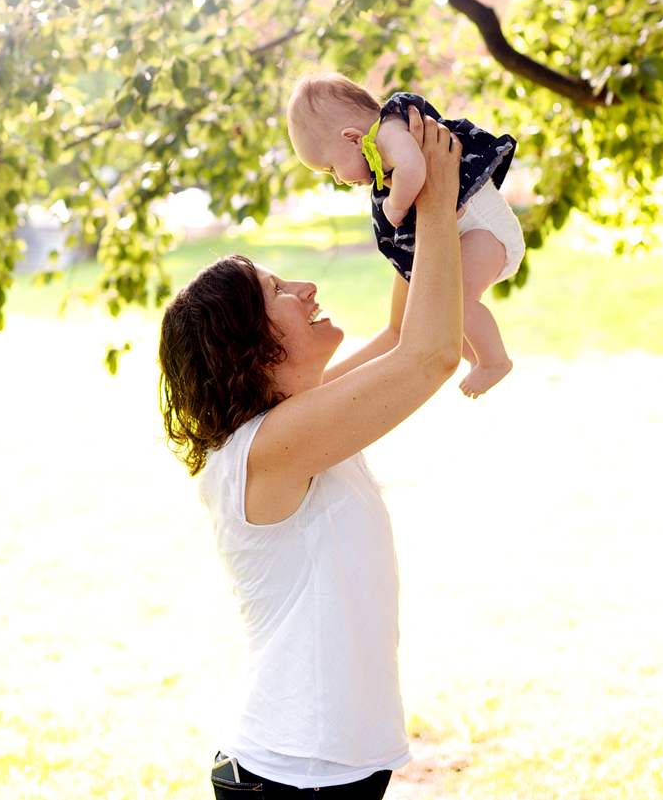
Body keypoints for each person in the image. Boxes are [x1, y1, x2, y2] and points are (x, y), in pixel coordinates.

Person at [158, 110, 463, 799]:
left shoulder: (297, 424)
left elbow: (399, 334)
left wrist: (408, 202)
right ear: (250, 346)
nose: (307, 289)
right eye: (278, 292)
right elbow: (431, 354)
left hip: (327, 767)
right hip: (291, 776)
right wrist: (440, 198)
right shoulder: (265, 450)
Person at [287, 73, 524, 399]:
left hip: (484, 226)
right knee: (447, 306)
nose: (338, 180)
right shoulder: (384, 154)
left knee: (460, 298)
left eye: (330, 169)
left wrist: (396, 207)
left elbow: (414, 166)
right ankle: (473, 354)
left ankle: (494, 360)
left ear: (354, 138)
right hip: (468, 230)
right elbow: (398, 331)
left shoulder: (389, 131)